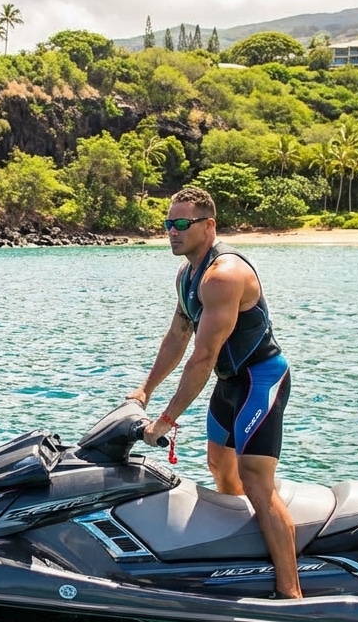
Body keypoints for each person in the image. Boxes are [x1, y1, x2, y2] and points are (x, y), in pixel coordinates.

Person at [127, 186, 301, 599]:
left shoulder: (223, 276)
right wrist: (144, 391)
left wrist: (167, 420)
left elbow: (202, 357)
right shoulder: (187, 276)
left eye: (182, 224)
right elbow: (177, 337)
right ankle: (244, 557)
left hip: (260, 380)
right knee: (219, 468)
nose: (172, 231)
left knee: (255, 481)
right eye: (168, 223)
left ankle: (291, 594)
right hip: (229, 384)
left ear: (208, 226)